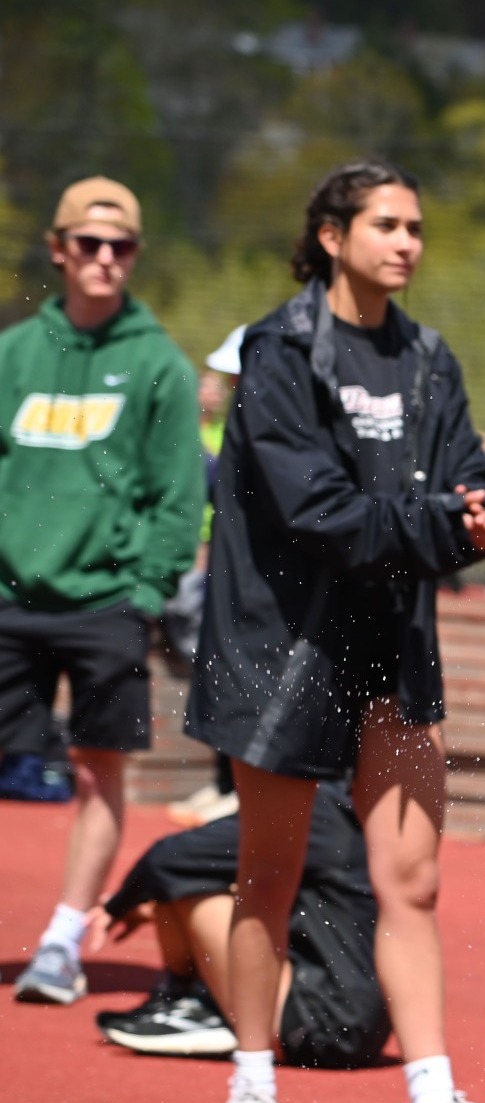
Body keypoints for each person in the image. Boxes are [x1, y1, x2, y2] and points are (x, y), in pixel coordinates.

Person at [185, 158, 485, 1103]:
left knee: (411, 881)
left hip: (392, 643)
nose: (406, 242)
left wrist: (471, 507)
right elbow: (316, 508)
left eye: (416, 226)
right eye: (385, 223)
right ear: (331, 235)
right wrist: (441, 522)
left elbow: (460, 462)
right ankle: (252, 1086)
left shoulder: (429, 356)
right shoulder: (278, 350)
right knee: (271, 874)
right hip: (282, 647)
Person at [2, 176, 203, 1005]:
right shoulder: (14, 355)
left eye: (121, 247)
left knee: (96, 775)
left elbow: (178, 494)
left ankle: (61, 939)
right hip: (11, 598)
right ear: (59, 250)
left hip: (108, 605)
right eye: (89, 244)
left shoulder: (157, 364)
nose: (105, 260)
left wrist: (145, 593)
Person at [92, 781, 391, 1070]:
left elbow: (167, 858)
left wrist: (116, 906)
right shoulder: (362, 814)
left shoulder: (316, 807)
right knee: (243, 882)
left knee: (187, 881)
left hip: (317, 1023)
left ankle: (195, 1001)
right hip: (360, 1026)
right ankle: (193, 997)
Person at [168, 325, 251, 830]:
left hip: (263, 585)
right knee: (220, 674)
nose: (233, 384)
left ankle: (241, 790)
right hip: (225, 568)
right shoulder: (239, 427)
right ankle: (225, 784)